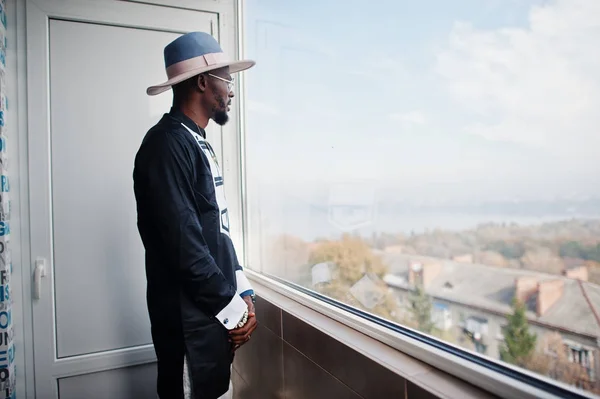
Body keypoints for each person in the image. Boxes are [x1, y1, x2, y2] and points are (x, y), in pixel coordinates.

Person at [133, 31, 258, 399]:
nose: (231, 90)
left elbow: (216, 229)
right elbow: (184, 245)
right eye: (227, 79)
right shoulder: (166, 145)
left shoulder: (196, 140)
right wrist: (233, 309)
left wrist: (242, 289)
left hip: (211, 316)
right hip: (189, 322)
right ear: (203, 82)